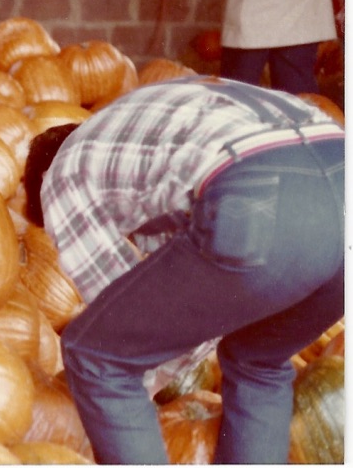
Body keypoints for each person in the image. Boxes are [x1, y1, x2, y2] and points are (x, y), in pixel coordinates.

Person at [22, 75, 344, 464]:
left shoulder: (61, 174)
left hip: (263, 192)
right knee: (257, 362)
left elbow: (126, 332)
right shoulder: (135, 140)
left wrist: (119, 408)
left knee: (95, 355)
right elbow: (177, 294)